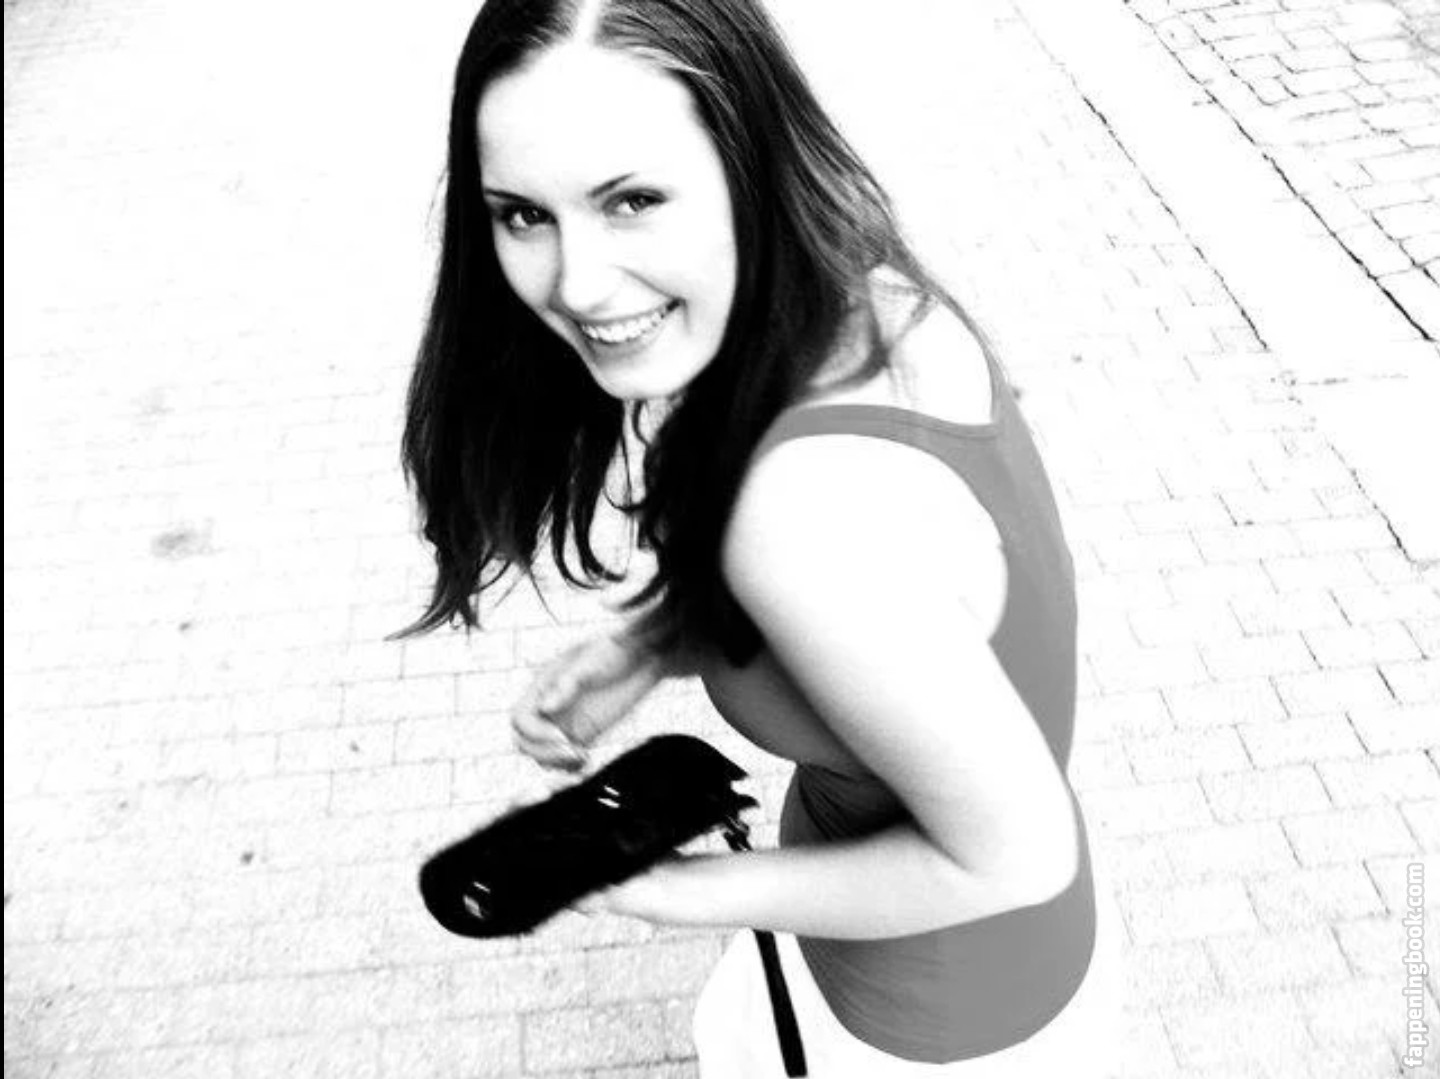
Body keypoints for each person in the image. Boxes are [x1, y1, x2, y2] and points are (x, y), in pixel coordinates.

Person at [397, 0, 1125, 1074]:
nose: (577, 281)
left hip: (924, 1024)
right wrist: (650, 644)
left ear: (748, 159)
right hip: (999, 957)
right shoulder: (864, 291)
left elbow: (1013, 858)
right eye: (521, 214)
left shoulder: (797, 518)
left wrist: (662, 888)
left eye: (633, 199)